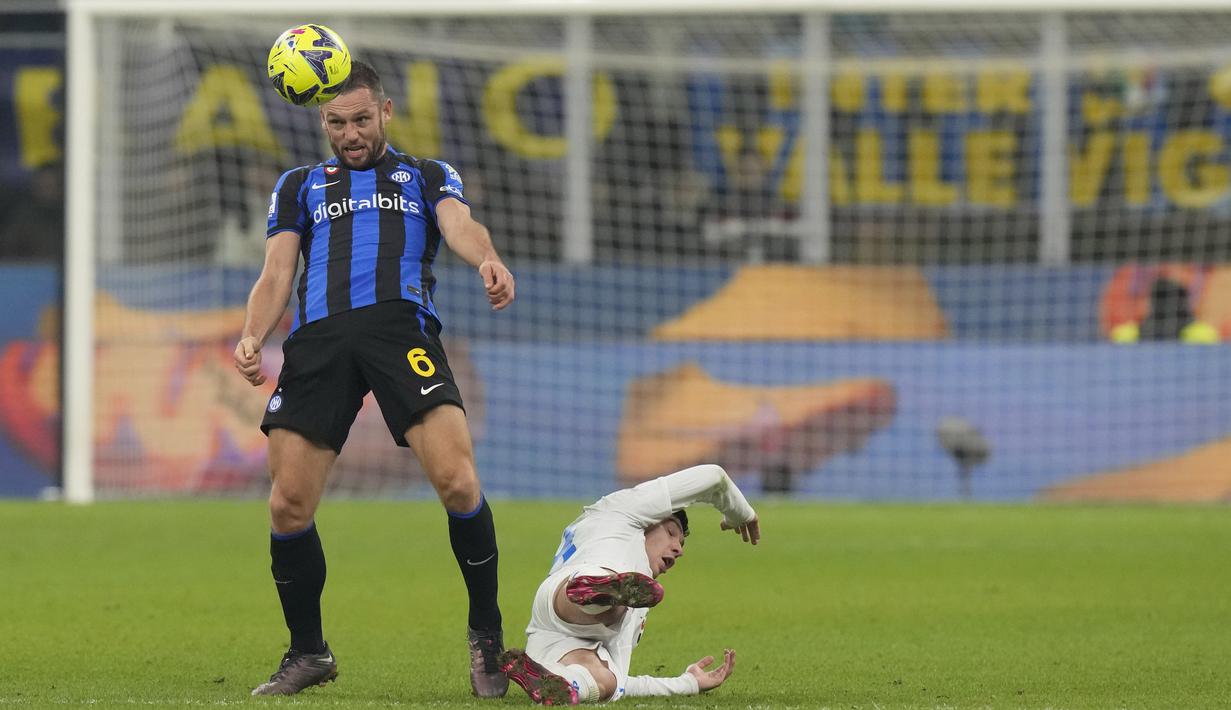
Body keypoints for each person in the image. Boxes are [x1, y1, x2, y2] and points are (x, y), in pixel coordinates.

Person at [232, 60, 515, 698]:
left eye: (362, 118)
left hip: (400, 331)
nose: (351, 132)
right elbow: (276, 274)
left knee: (457, 480)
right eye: (337, 121)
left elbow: (458, 225)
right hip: (319, 341)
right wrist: (253, 334)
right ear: (322, 120)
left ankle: (487, 638)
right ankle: (309, 653)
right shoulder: (298, 185)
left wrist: (487, 259)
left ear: (385, 112)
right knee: (287, 504)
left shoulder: (427, 173)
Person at [499, 464, 760, 705]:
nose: (678, 549)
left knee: (607, 682)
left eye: (681, 545)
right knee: (613, 603)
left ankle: (566, 684)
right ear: (650, 522)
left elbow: (623, 683)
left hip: (549, 644)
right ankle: (598, 590)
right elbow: (714, 477)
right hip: (565, 594)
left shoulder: (639, 603)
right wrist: (740, 513)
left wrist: (688, 683)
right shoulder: (622, 512)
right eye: (671, 533)